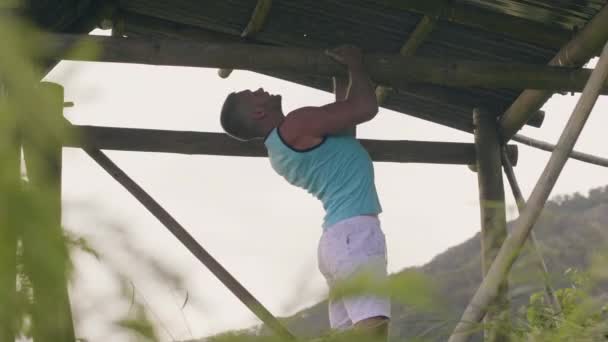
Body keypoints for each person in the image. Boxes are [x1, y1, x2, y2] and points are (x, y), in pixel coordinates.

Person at [219, 45, 390, 340]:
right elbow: (365, 108)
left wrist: (343, 79)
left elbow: (345, 123)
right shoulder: (296, 124)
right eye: (253, 93)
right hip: (354, 235)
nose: (261, 88)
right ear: (259, 111)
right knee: (372, 328)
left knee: (351, 334)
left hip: (337, 242)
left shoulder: (279, 150)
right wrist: (356, 63)